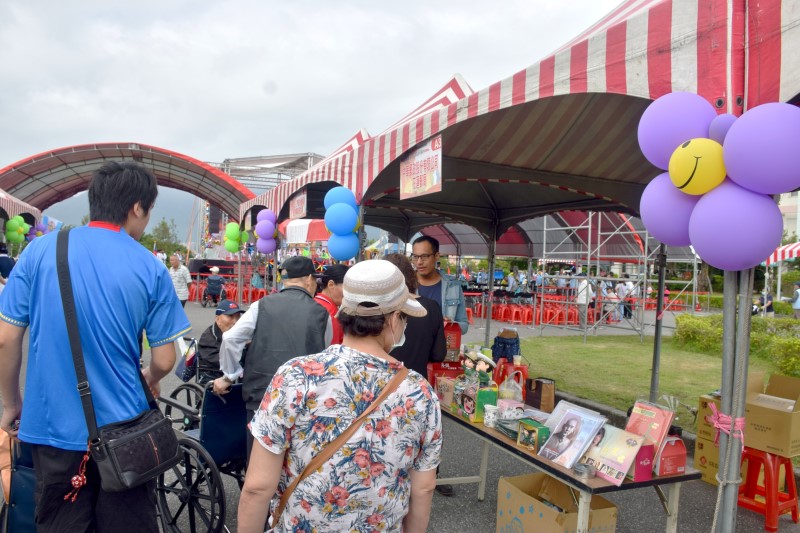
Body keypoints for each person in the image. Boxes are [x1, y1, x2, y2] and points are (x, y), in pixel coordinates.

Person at [0, 161, 191, 533]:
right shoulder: (150, 266)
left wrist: (11, 403)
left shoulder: (39, 253)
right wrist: (150, 376)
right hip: (127, 433)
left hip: (51, 427)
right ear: (137, 207)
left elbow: (6, 337)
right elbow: (166, 359)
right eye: (149, 211)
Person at [237, 259, 441, 533]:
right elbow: (424, 488)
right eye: (404, 318)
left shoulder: (296, 376)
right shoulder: (420, 393)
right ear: (393, 319)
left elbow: (257, 487)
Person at [213, 255, 332, 457]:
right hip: (303, 399)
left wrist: (230, 374)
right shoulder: (321, 313)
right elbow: (324, 351)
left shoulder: (262, 305)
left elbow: (231, 338)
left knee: (259, 458)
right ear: (309, 280)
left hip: (261, 394)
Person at [385, 253, 445, 378]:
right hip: (417, 384)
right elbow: (438, 354)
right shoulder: (431, 307)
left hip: (382, 384)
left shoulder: (378, 308)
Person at [411, 236, 468, 334]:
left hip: (441, 347)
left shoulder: (453, 286)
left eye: (424, 256)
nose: (419, 262)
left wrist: (450, 325)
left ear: (437, 255)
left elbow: (464, 326)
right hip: (411, 347)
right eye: (415, 257)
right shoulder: (406, 284)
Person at [196, 299, 245, 384]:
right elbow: (221, 362)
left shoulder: (241, 333)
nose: (235, 321)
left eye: (238, 317)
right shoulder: (207, 338)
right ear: (217, 319)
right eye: (230, 316)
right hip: (214, 375)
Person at [313, 263, 349, 345]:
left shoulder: (315, 302)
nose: (349, 293)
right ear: (331, 285)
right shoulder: (330, 311)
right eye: (347, 288)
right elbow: (334, 347)